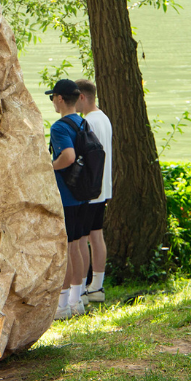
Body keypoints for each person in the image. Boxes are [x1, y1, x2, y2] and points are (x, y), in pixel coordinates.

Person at [46, 78, 91, 319]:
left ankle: (62, 306)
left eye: (52, 97)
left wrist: (50, 167)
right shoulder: (83, 123)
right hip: (83, 194)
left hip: (66, 196)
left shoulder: (60, 127)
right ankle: (78, 299)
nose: (52, 101)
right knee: (78, 245)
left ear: (60, 98)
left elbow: (69, 156)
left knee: (65, 249)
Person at [75, 78, 110, 304]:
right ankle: (97, 285)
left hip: (91, 189)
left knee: (82, 239)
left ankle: (85, 288)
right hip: (104, 187)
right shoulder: (104, 118)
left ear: (82, 97)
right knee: (96, 236)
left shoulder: (88, 122)